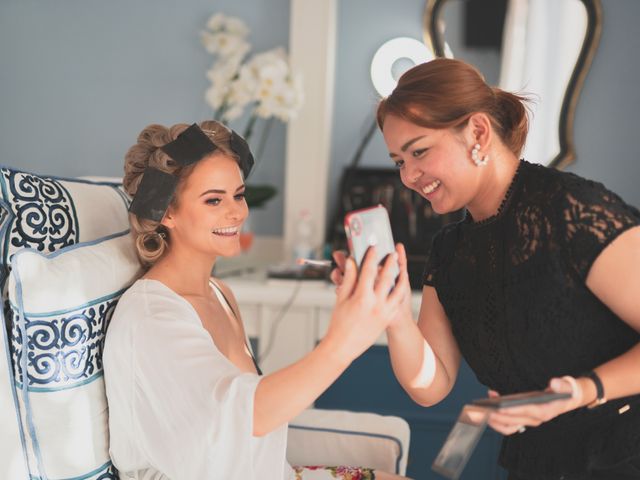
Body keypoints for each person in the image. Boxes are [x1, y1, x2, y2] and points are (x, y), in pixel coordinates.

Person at [331, 58, 640, 480]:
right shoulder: (451, 251)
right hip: (537, 464)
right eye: (400, 161)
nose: (409, 176)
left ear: (477, 132)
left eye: (419, 151)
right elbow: (430, 386)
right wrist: (393, 313)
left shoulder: (570, 211)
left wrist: (583, 390)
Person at [103, 121, 409, 480]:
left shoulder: (220, 294)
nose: (237, 212)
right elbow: (246, 414)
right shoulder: (153, 317)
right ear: (166, 212)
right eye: (214, 199)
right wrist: (345, 340)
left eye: (239, 194)